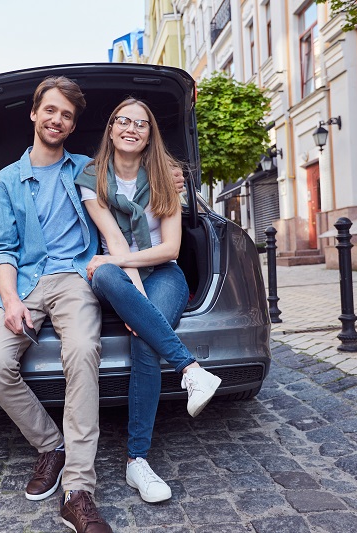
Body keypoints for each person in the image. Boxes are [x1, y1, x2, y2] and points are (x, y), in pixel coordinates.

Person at [0, 76, 113, 533]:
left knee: (82, 353)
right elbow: (2, 250)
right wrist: (11, 300)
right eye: (50, 110)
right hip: (25, 281)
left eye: (67, 115)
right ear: (35, 113)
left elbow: (135, 182)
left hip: (75, 276)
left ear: (73, 126)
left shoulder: (87, 168)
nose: (57, 119)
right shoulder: (4, 181)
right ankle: (49, 444)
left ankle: (78, 490)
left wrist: (172, 177)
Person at [75, 98, 222, 504]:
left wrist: (139, 313)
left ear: (149, 134)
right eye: (123, 120)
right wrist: (136, 301)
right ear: (111, 127)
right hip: (119, 278)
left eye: (141, 123)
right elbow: (116, 239)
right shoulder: (92, 176)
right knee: (102, 271)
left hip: (164, 272)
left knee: (144, 341)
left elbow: (171, 249)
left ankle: (136, 461)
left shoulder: (165, 176)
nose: (131, 128)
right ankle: (191, 369)